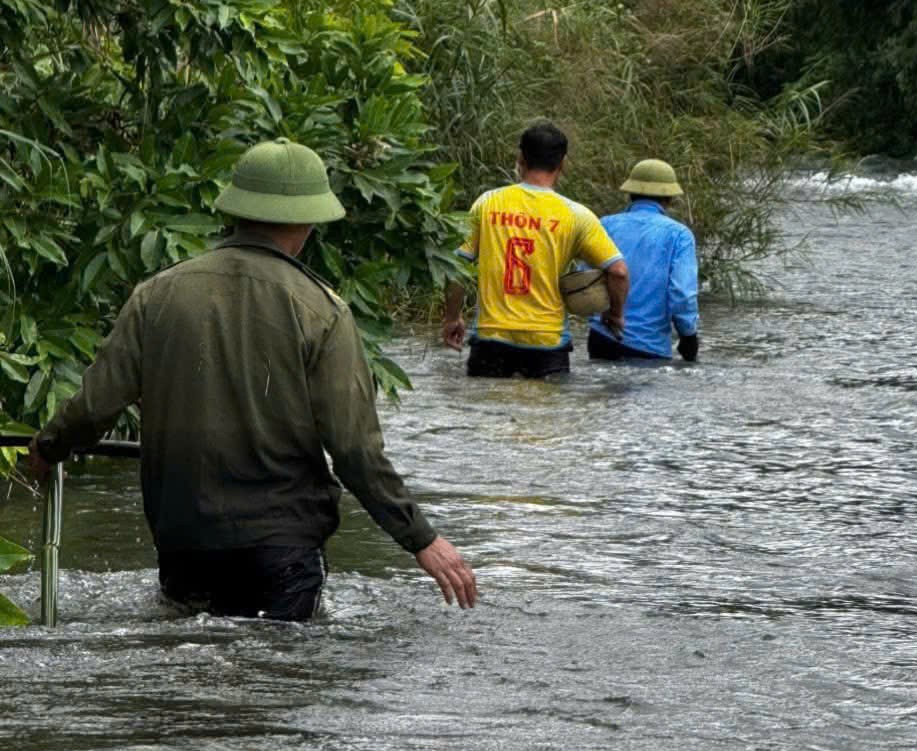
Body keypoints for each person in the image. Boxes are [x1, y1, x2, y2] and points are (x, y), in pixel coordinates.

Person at [27, 137, 477, 621]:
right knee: (273, 683)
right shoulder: (322, 311)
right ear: (306, 221)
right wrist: (421, 538)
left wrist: (48, 447)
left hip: (184, 546)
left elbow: (94, 407)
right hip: (281, 552)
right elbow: (353, 450)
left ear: (236, 211)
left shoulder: (155, 296)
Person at [442, 122, 629, 378]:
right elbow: (618, 272)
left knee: (485, 413)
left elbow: (458, 266)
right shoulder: (577, 215)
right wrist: (615, 314)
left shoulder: (486, 203)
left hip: (491, 338)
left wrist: (452, 317)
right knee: (546, 417)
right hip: (548, 342)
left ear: (521, 158)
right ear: (562, 163)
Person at [587, 159, 699, 362]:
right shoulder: (679, 235)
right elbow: (681, 294)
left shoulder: (604, 225)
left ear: (630, 193)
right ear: (669, 198)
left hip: (601, 339)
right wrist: (688, 335)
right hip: (649, 346)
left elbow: (585, 280)